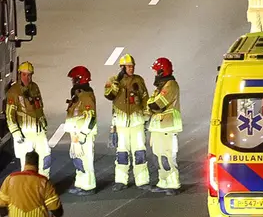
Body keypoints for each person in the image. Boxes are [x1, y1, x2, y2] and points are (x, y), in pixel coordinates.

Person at [103, 53, 150, 191]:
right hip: (121, 123)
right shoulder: (113, 80)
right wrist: (116, 83)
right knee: (122, 153)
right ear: (122, 67)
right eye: (128, 66)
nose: (131, 68)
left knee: (140, 151)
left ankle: (142, 180)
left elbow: (145, 98)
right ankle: (121, 180)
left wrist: (146, 117)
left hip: (137, 121)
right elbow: (109, 95)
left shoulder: (139, 80)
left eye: (132, 66)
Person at [5, 61, 51, 178]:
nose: (27, 77)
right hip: (24, 133)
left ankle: (43, 186)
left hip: (38, 131)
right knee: (27, 165)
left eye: (29, 74)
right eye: (24, 74)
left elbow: (39, 108)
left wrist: (43, 124)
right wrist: (15, 132)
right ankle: (29, 189)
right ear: (19, 74)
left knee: (45, 159)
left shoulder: (35, 87)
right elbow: (10, 115)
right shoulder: (13, 91)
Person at [0, 151, 63, 217]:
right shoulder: (43, 181)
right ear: (37, 164)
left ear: (25, 163)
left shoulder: (10, 179)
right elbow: (55, 208)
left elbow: (1, 204)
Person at [146, 57, 182, 195]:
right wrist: (151, 104)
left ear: (162, 71)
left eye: (157, 71)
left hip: (167, 126)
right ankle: (163, 181)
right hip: (158, 127)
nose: (155, 74)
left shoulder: (170, 85)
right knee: (158, 156)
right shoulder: (161, 86)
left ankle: (173, 184)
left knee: (167, 156)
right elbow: (150, 104)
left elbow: (156, 104)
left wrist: (152, 104)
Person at [64, 66, 97, 195]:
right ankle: (81, 184)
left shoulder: (86, 96)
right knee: (78, 160)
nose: (72, 82)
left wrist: (83, 134)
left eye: (74, 79)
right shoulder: (78, 95)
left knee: (86, 161)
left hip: (84, 136)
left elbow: (91, 117)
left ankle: (88, 186)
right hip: (76, 135)